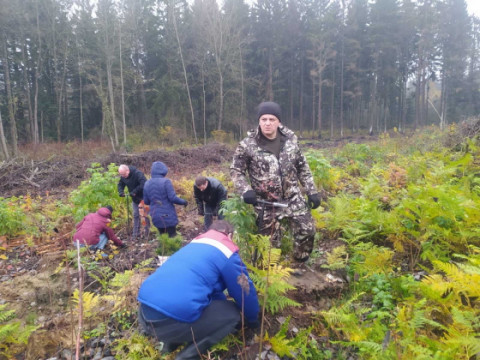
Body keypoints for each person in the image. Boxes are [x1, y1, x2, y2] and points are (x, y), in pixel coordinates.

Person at [137, 220, 259, 360]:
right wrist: (253, 319)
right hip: (168, 323)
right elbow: (244, 291)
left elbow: (209, 289)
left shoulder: (193, 246)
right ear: (229, 235)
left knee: (180, 300)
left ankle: (169, 345)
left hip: (144, 315)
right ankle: (187, 356)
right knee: (231, 313)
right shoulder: (226, 250)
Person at [230, 101, 321, 263]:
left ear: (278, 121)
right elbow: (236, 171)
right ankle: (270, 277)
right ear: (259, 121)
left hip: (293, 198)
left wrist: (312, 191)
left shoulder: (290, 141)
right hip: (266, 202)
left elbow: (302, 167)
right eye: (264, 119)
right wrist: (245, 190)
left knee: (307, 231)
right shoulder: (248, 145)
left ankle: (299, 263)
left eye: (272, 119)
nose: (267, 123)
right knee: (270, 246)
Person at [143, 161, 187, 238]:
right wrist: (184, 202)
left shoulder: (147, 183)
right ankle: (175, 250)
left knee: (163, 237)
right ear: (163, 171)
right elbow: (173, 198)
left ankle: (163, 249)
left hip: (155, 215)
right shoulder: (166, 182)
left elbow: (146, 201)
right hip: (168, 215)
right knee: (172, 236)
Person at [118, 164, 151, 240]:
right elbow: (120, 184)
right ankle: (136, 234)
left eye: (124, 174)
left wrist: (135, 191)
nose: (123, 176)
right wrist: (121, 191)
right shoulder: (123, 176)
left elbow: (144, 184)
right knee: (135, 215)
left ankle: (147, 233)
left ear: (128, 170)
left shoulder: (138, 174)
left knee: (144, 215)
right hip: (135, 199)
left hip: (144, 197)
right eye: (121, 174)